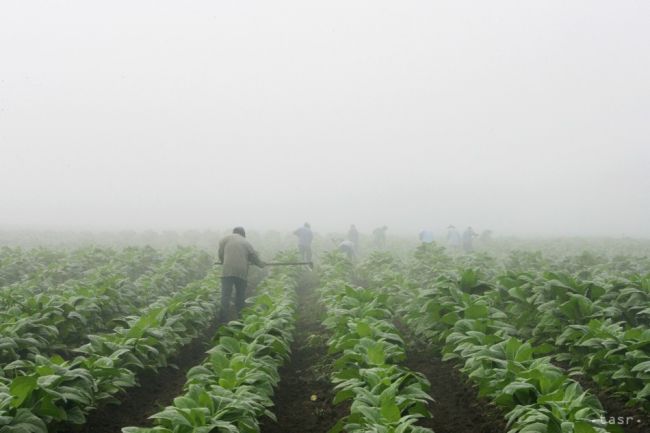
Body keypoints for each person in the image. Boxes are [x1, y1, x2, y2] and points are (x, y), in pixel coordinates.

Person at [218, 227, 265, 322]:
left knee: (225, 295)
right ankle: (240, 317)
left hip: (227, 271)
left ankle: (223, 318)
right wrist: (260, 264)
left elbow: (220, 254)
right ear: (243, 234)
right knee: (240, 295)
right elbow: (253, 257)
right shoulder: (246, 242)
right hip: (241, 271)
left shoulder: (225, 239)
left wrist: (223, 261)